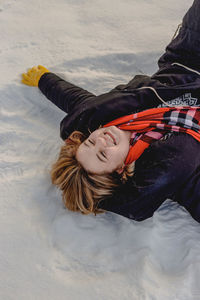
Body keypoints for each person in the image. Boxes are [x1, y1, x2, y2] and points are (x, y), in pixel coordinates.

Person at [22, 0, 200, 223]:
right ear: (119, 171)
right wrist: (119, 201)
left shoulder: (103, 116)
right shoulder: (164, 171)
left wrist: (43, 79)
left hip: (188, 62)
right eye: (103, 155)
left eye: (90, 143)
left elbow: (75, 99)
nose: (102, 141)